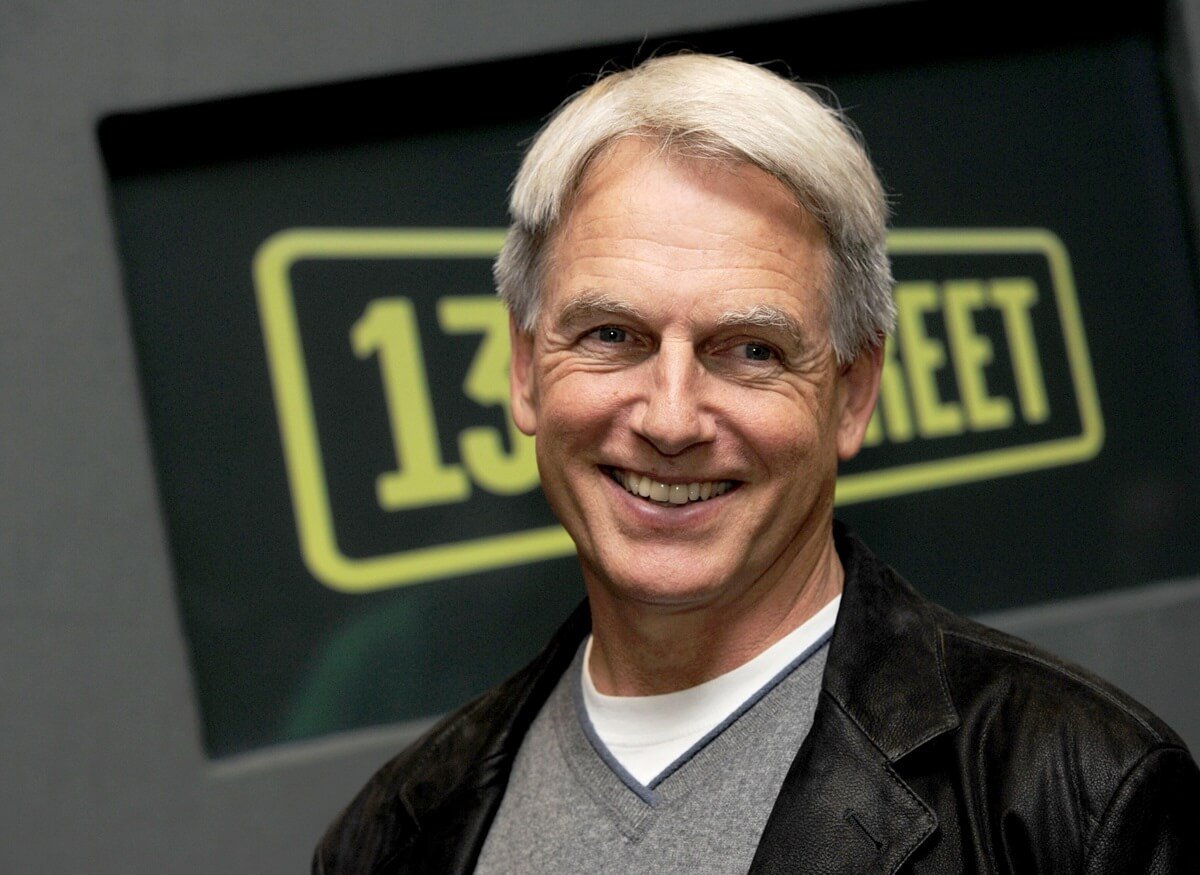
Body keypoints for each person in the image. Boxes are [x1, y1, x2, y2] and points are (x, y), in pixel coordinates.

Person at [313, 53, 1200, 873]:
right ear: (524, 368)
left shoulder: (1071, 799)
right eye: (612, 335)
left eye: (750, 351)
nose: (669, 418)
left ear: (853, 392)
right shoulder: (397, 837)